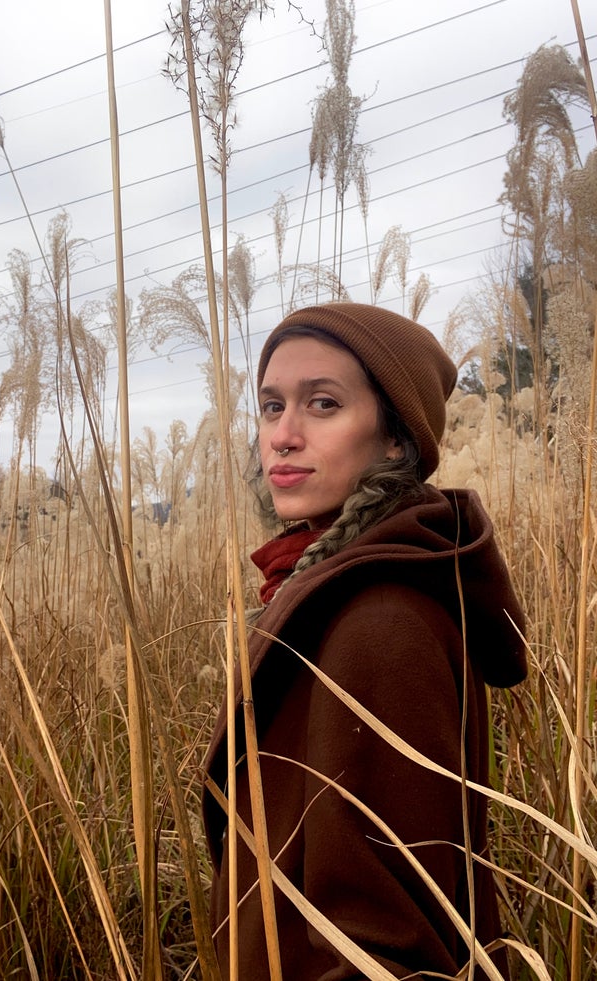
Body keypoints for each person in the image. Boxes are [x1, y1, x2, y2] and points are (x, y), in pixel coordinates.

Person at [202, 302, 527, 980]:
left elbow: (385, 950)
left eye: (322, 404)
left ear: (395, 439)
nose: (282, 436)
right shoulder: (334, 588)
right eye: (271, 406)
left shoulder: (380, 620)